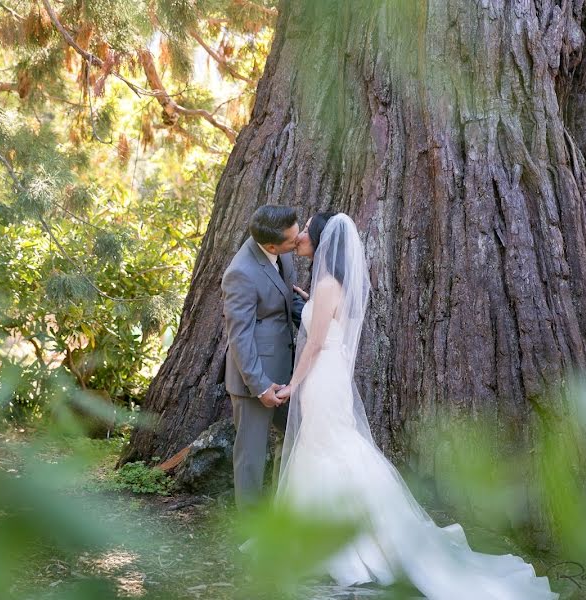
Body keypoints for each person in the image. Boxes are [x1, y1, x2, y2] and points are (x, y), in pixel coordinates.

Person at [272, 211, 559, 599]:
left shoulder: (326, 285)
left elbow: (316, 341)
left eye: (307, 229)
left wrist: (293, 383)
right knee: (330, 445)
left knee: (325, 447)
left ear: (323, 239)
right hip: (332, 375)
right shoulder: (331, 284)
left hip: (322, 376)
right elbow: (328, 324)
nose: (302, 234)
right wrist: (309, 305)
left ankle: (339, 543)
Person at [220, 205, 306, 511]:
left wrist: (316, 314)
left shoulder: (281, 253)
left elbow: (287, 300)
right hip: (254, 381)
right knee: (251, 458)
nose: (299, 242)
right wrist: (260, 386)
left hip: (286, 370)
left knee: (302, 436)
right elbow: (239, 337)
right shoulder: (240, 274)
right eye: (292, 241)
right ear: (271, 246)